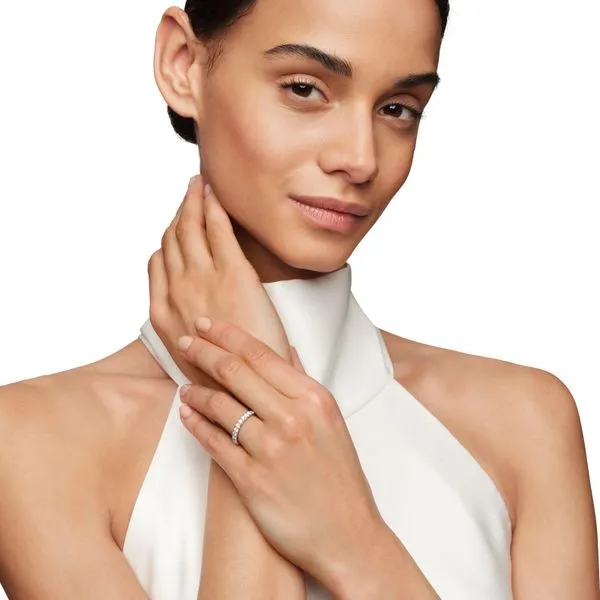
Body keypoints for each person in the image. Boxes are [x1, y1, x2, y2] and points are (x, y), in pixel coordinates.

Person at [0, 0, 598, 599]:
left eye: (397, 108)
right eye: (305, 89)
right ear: (183, 63)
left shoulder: (524, 422)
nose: (359, 159)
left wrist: (353, 541)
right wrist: (250, 378)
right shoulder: (34, 443)